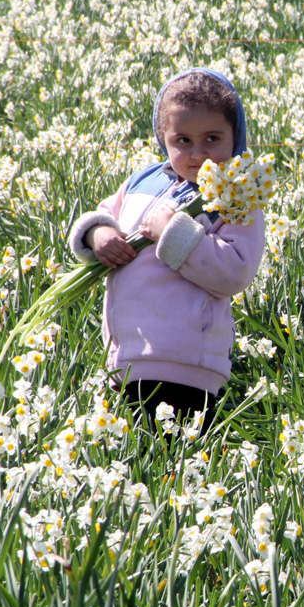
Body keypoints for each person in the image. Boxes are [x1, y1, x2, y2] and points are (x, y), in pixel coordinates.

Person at [67, 68, 265, 436]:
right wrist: (99, 234)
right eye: (183, 140)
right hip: (125, 359)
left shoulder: (238, 196)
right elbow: (104, 215)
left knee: (175, 473)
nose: (198, 154)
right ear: (163, 138)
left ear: (235, 137)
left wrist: (172, 231)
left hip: (187, 366)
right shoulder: (144, 181)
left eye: (212, 138)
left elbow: (234, 273)